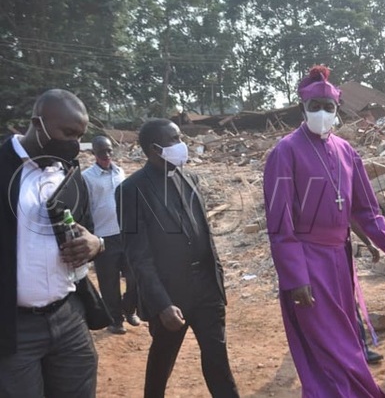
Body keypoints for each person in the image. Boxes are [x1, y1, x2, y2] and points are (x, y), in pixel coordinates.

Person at [263, 65, 385, 397]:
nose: (323, 113)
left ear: (337, 110)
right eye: (315, 106)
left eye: (329, 107)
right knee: (329, 347)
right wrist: (295, 277)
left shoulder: (347, 151)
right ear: (303, 108)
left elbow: (367, 211)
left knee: (346, 341)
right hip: (308, 263)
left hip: (341, 261)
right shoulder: (285, 151)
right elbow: (280, 224)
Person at [115, 119, 238, 397]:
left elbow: (204, 234)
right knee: (162, 361)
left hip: (206, 288)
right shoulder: (131, 190)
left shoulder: (189, 177)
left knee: (218, 361)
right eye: (174, 139)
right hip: (170, 295)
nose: (181, 144)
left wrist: (217, 285)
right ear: (154, 149)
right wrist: (161, 304)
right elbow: (138, 255)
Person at [0, 89, 103, 396]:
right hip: (14, 329)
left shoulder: (69, 172)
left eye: (80, 135)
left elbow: (90, 230)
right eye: (68, 132)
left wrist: (95, 244)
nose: (74, 143)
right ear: (37, 123)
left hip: (69, 317)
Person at [82, 136, 140, 335]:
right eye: (101, 152)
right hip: (103, 238)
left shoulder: (120, 172)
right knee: (109, 283)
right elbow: (85, 208)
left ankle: (129, 307)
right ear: (93, 154)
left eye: (108, 151)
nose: (106, 156)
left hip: (125, 234)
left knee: (135, 276)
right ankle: (116, 320)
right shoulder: (87, 177)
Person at [350, 221, 384, 365]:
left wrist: (368, 242)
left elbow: (349, 216)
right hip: (313, 254)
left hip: (339, 254)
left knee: (349, 302)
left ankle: (360, 348)